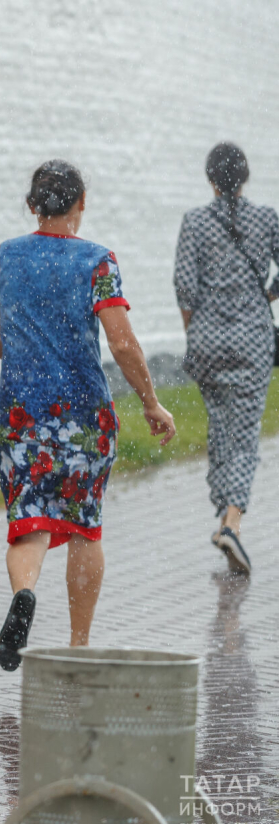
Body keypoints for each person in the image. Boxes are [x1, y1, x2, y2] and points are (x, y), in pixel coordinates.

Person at [0, 160, 176, 672]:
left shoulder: (5, 257)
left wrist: (31, 353)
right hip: (83, 417)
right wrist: (150, 400)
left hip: (18, 416)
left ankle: (24, 593)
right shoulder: (97, 261)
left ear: (32, 206)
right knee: (85, 528)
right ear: (80, 203)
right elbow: (122, 341)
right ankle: (78, 646)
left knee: (29, 523)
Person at [175, 142, 279, 574]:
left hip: (207, 341)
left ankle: (222, 513)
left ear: (210, 179)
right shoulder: (267, 219)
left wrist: (194, 332)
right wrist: (265, 295)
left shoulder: (195, 222)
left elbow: (184, 285)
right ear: (247, 177)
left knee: (220, 427)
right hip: (253, 340)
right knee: (245, 433)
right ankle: (232, 522)